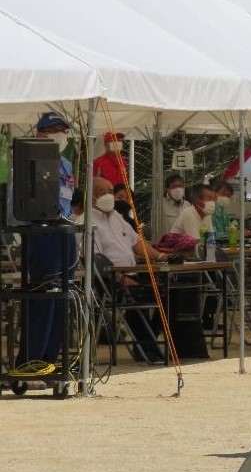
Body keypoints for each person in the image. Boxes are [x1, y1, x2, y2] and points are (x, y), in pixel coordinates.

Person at [14, 112, 78, 369]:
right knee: (43, 297)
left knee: (65, 296)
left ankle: (50, 361)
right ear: (39, 134)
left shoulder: (66, 164)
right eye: (53, 130)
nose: (60, 135)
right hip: (42, 234)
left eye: (63, 130)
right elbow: (15, 207)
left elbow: (67, 199)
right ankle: (31, 361)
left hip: (65, 231)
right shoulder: (26, 161)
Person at [90, 177, 168, 361]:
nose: (109, 196)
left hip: (132, 274)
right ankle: (148, 349)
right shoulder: (87, 222)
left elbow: (137, 243)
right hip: (107, 280)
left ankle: (148, 343)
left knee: (169, 292)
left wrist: (161, 257)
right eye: (103, 193)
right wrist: (121, 278)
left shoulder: (118, 217)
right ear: (92, 197)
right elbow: (96, 261)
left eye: (110, 192)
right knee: (135, 295)